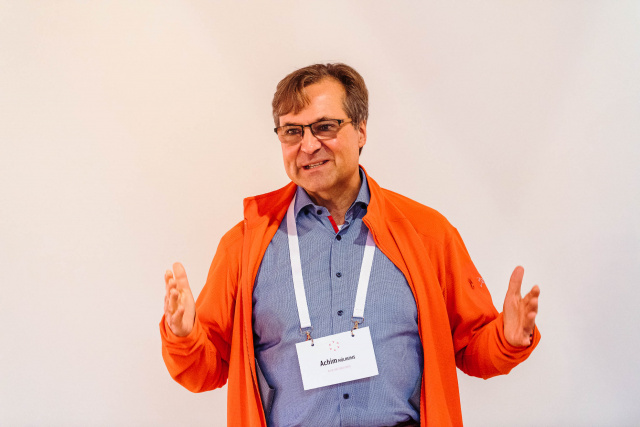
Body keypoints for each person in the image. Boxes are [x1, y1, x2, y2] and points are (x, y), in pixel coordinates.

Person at [160, 63, 541, 427]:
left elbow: (473, 351)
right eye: (292, 131)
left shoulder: (427, 233)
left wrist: (508, 338)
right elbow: (204, 372)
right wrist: (184, 336)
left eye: (325, 127)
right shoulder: (244, 245)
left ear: (361, 131)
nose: (308, 145)